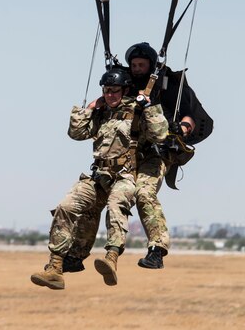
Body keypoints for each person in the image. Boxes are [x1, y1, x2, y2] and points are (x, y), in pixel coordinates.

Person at [62, 42, 213, 271]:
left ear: (151, 65)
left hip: (154, 155)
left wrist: (179, 129)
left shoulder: (168, 85)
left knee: (144, 192)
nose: (137, 68)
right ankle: (76, 255)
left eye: (142, 65)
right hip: (123, 156)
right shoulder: (123, 83)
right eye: (134, 64)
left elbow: (191, 118)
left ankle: (157, 251)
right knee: (96, 199)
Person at [30, 68, 168, 290]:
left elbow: (160, 135)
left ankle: (111, 258)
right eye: (106, 90)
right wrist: (90, 108)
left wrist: (149, 107)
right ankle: (55, 267)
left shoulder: (138, 111)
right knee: (66, 207)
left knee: (116, 205)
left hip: (126, 175)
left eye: (115, 91)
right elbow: (76, 133)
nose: (110, 95)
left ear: (124, 91)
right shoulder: (102, 113)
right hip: (100, 175)